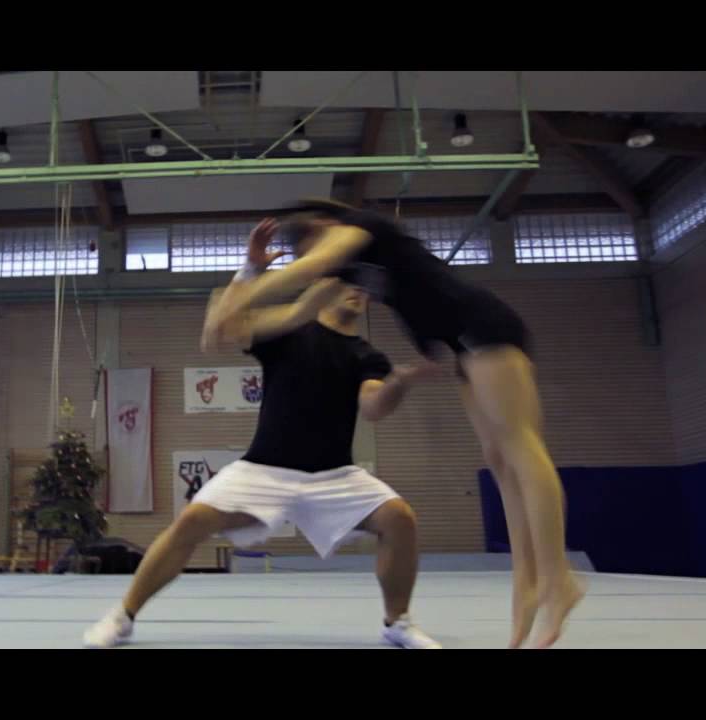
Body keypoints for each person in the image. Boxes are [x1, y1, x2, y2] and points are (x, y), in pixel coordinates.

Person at [204, 203, 584, 649]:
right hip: (462, 344)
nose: (318, 258)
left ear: (323, 226)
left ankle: (558, 578)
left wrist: (246, 292)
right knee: (500, 464)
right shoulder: (348, 271)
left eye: (310, 246)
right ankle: (526, 585)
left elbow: (306, 269)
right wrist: (243, 280)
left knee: (522, 449)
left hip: (485, 325)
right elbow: (288, 315)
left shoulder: (358, 230)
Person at [83, 229, 442, 649]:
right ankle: (123, 616)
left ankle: (397, 622)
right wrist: (251, 270)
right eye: (346, 281)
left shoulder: (368, 355)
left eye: (362, 287)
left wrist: (399, 383)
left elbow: (374, 407)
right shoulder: (288, 331)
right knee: (191, 522)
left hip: (334, 476)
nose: (356, 291)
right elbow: (225, 327)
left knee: (399, 519)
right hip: (264, 470)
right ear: (321, 284)